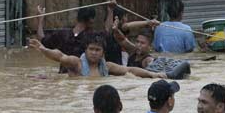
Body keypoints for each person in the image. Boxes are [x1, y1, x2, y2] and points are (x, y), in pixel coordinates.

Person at [28, 34, 167, 79]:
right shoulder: (77, 63)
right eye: (91, 49)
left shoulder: (107, 66)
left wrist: (152, 74)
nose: (94, 52)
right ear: (86, 50)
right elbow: (60, 56)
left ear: (103, 52)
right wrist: (43, 49)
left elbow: (130, 70)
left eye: (97, 50)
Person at [112, 27, 192, 79]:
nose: (138, 45)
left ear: (150, 47)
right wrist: (115, 29)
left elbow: (155, 74)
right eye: (137, 42)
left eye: (142, 43)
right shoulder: (134, 51)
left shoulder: (148, 60)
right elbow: (122, 40)